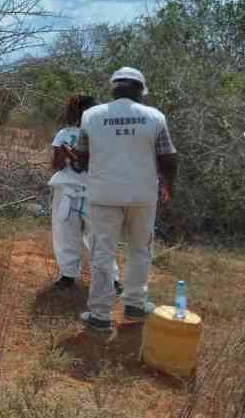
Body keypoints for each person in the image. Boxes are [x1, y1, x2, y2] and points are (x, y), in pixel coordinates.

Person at [74, 67, 177, 332]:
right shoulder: (154, 116)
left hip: (103, 194)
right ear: (140, 91)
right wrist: (167, 184)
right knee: (140, 249)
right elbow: (168, 157)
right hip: (142, 195)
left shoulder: (90, 116)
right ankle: (135, 303)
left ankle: (99, 314)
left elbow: (81, 157)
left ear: (113, 89)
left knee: (102, 253)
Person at [49, 94, 122, 295]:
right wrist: (64, 154)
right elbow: (55, 165)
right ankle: (67, 275)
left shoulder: (104, 135)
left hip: (94, 192)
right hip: (67, 190)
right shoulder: (64, 134)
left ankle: (111, 278)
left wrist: (76, 156)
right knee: (65, 234)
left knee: (99, 236)